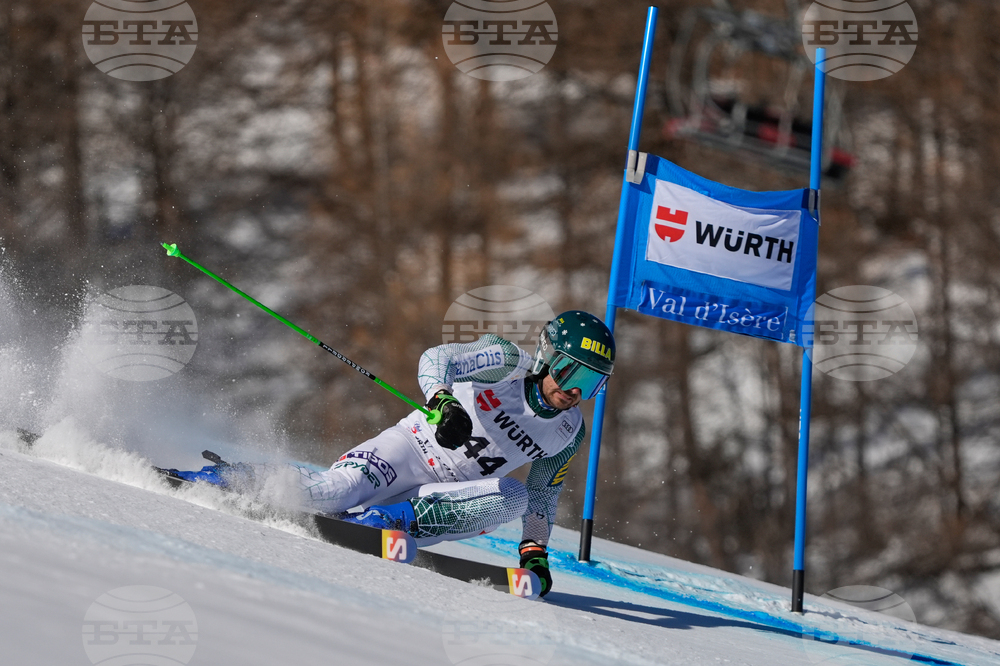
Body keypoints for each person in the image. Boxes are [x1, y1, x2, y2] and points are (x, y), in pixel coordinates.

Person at [171, 310, 615, 597]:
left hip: (443, 501)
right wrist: (443, 400)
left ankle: (386, 521)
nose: (575, 391)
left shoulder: (568, 433)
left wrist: (535, 553)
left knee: (513, 497)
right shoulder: (505, 361)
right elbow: (438, 358)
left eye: (591, 383)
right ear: (547, 356)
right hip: (408, 450)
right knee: (334, 491)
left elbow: (542, 498)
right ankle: (229, 478)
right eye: (569, 372)